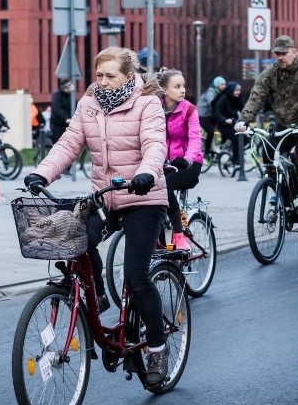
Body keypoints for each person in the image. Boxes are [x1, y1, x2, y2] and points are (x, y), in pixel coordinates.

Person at [23, 46, 171, 385]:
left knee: (135, 275)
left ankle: (158, 347)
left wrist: (147, 172)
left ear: (129, 75)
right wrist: (43, 173)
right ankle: (100, 294)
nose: (102, 82)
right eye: (99, 75)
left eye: (110, 76)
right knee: (73, 240)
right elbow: (69, 143)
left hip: (143, 196)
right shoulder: (88, 104)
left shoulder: (147, 103)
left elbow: (154, 144)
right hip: (105, 196)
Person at [235, 35, 298, 132]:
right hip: (283, 125)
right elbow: (257, 95)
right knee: (269, 147)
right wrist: (244, 120)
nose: (280, 57)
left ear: (294, 52)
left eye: (284, 53)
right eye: (277, 54)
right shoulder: (271, 71)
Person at [157, 68, 203, 250]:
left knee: (163, 187)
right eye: (177, 86)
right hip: (164, 163)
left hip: (188, 164)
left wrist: (187, 159)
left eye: (183, 86)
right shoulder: (155, 108)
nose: (183, 90)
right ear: (164, 90)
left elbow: (195, 139)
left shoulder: (189, 110)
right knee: (149, 194)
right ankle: (157, 242)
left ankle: (178, 233)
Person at [213, 82, 243, 168]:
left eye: (239, 90)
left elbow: (243, 109)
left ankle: (236, 153)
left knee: (245, 138)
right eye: (236, 90)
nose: (239, 92)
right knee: (236, 140)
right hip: (223, 125)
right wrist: (225, 120)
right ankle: (235, 161)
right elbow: (217, 112)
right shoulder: (224, 99)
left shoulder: (238, 99)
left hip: (233, 124)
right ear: (231, 90)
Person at [196, 76, 227, 156]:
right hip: (202, 115)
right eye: (222, 84)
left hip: (210, 115)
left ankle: (216, 148)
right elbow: (212, 104)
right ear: (217, 85)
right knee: (210, 131)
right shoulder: (211, 92)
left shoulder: (219, 92)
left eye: (224, 84)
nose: (224, 86)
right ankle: (206, 152)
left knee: (224, 127)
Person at [51, 79, 73, 144]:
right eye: (67, 87)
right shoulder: (57, 95)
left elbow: (76, 106)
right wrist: (66, 118)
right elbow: (57, 108)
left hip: (69, 124)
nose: (69, 89)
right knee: (59, 142)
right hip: (58, 124)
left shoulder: (71, 96)